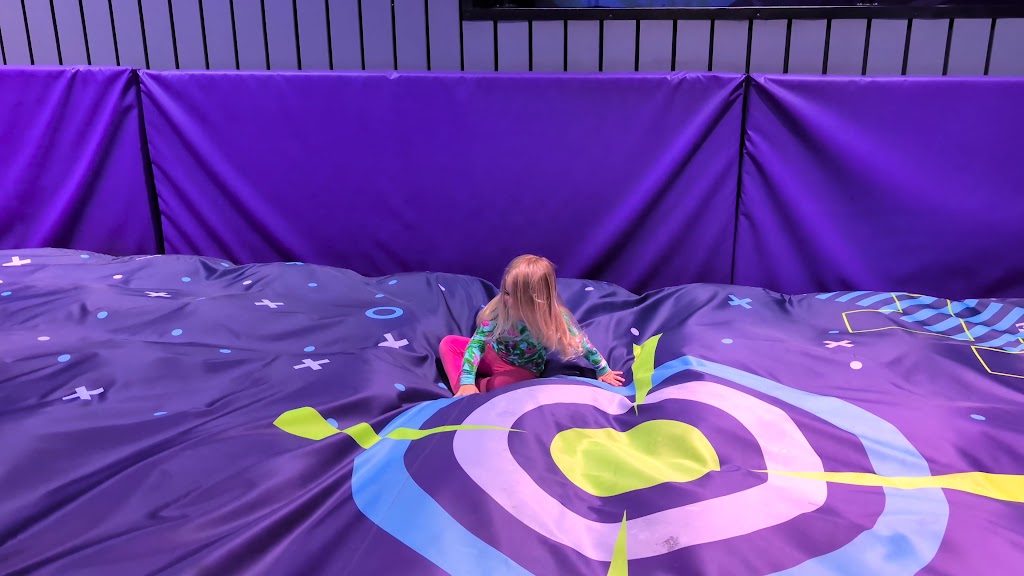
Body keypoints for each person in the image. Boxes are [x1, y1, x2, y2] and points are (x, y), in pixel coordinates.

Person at [439, 255, 625, 396]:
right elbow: (477, 343)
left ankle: (480, 387)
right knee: (449, 343)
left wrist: (603, 370)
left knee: (510, 384)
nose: (506, 299)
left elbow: (580, 343)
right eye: (505, 292)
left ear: (535, 301)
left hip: (521, 371)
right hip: (493, 356)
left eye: (515, 296)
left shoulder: (553, 319)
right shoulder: (499, 312)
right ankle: (464, 390)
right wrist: (466, 380)